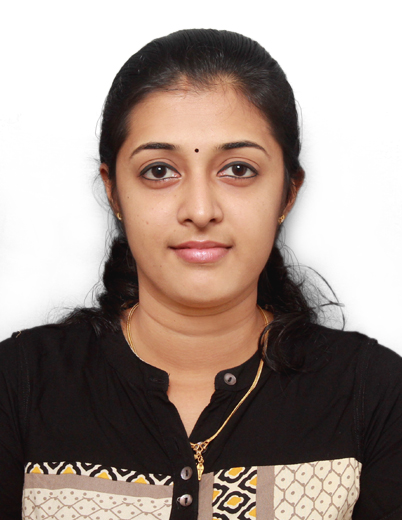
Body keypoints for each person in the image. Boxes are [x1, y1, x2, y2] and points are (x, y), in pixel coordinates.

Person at [1, 29, 401, 520]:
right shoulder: (19, 384)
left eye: (238, 169)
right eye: (158, 171)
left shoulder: (375, 395)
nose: (199, 209)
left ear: (287, 193)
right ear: (113, 191)